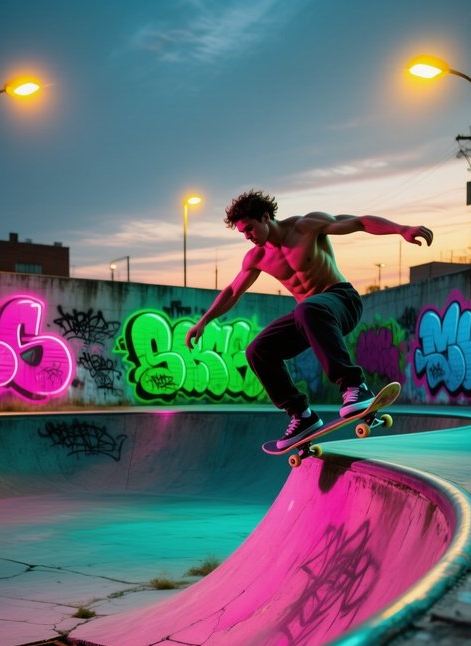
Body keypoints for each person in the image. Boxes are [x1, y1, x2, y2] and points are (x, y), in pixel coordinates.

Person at [185, 189, 433, 450]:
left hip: (342, 301)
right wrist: (204, 321)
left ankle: (355, 386)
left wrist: (402, 229)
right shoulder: (257, 257)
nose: (247, 237)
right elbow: (233, 291)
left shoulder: (306, 226)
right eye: (243, 233)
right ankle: (301, 415)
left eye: (249, 229)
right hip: (310, 316)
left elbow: (359, 222)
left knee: (308, 309)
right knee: (258, 350)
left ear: (266, 217)